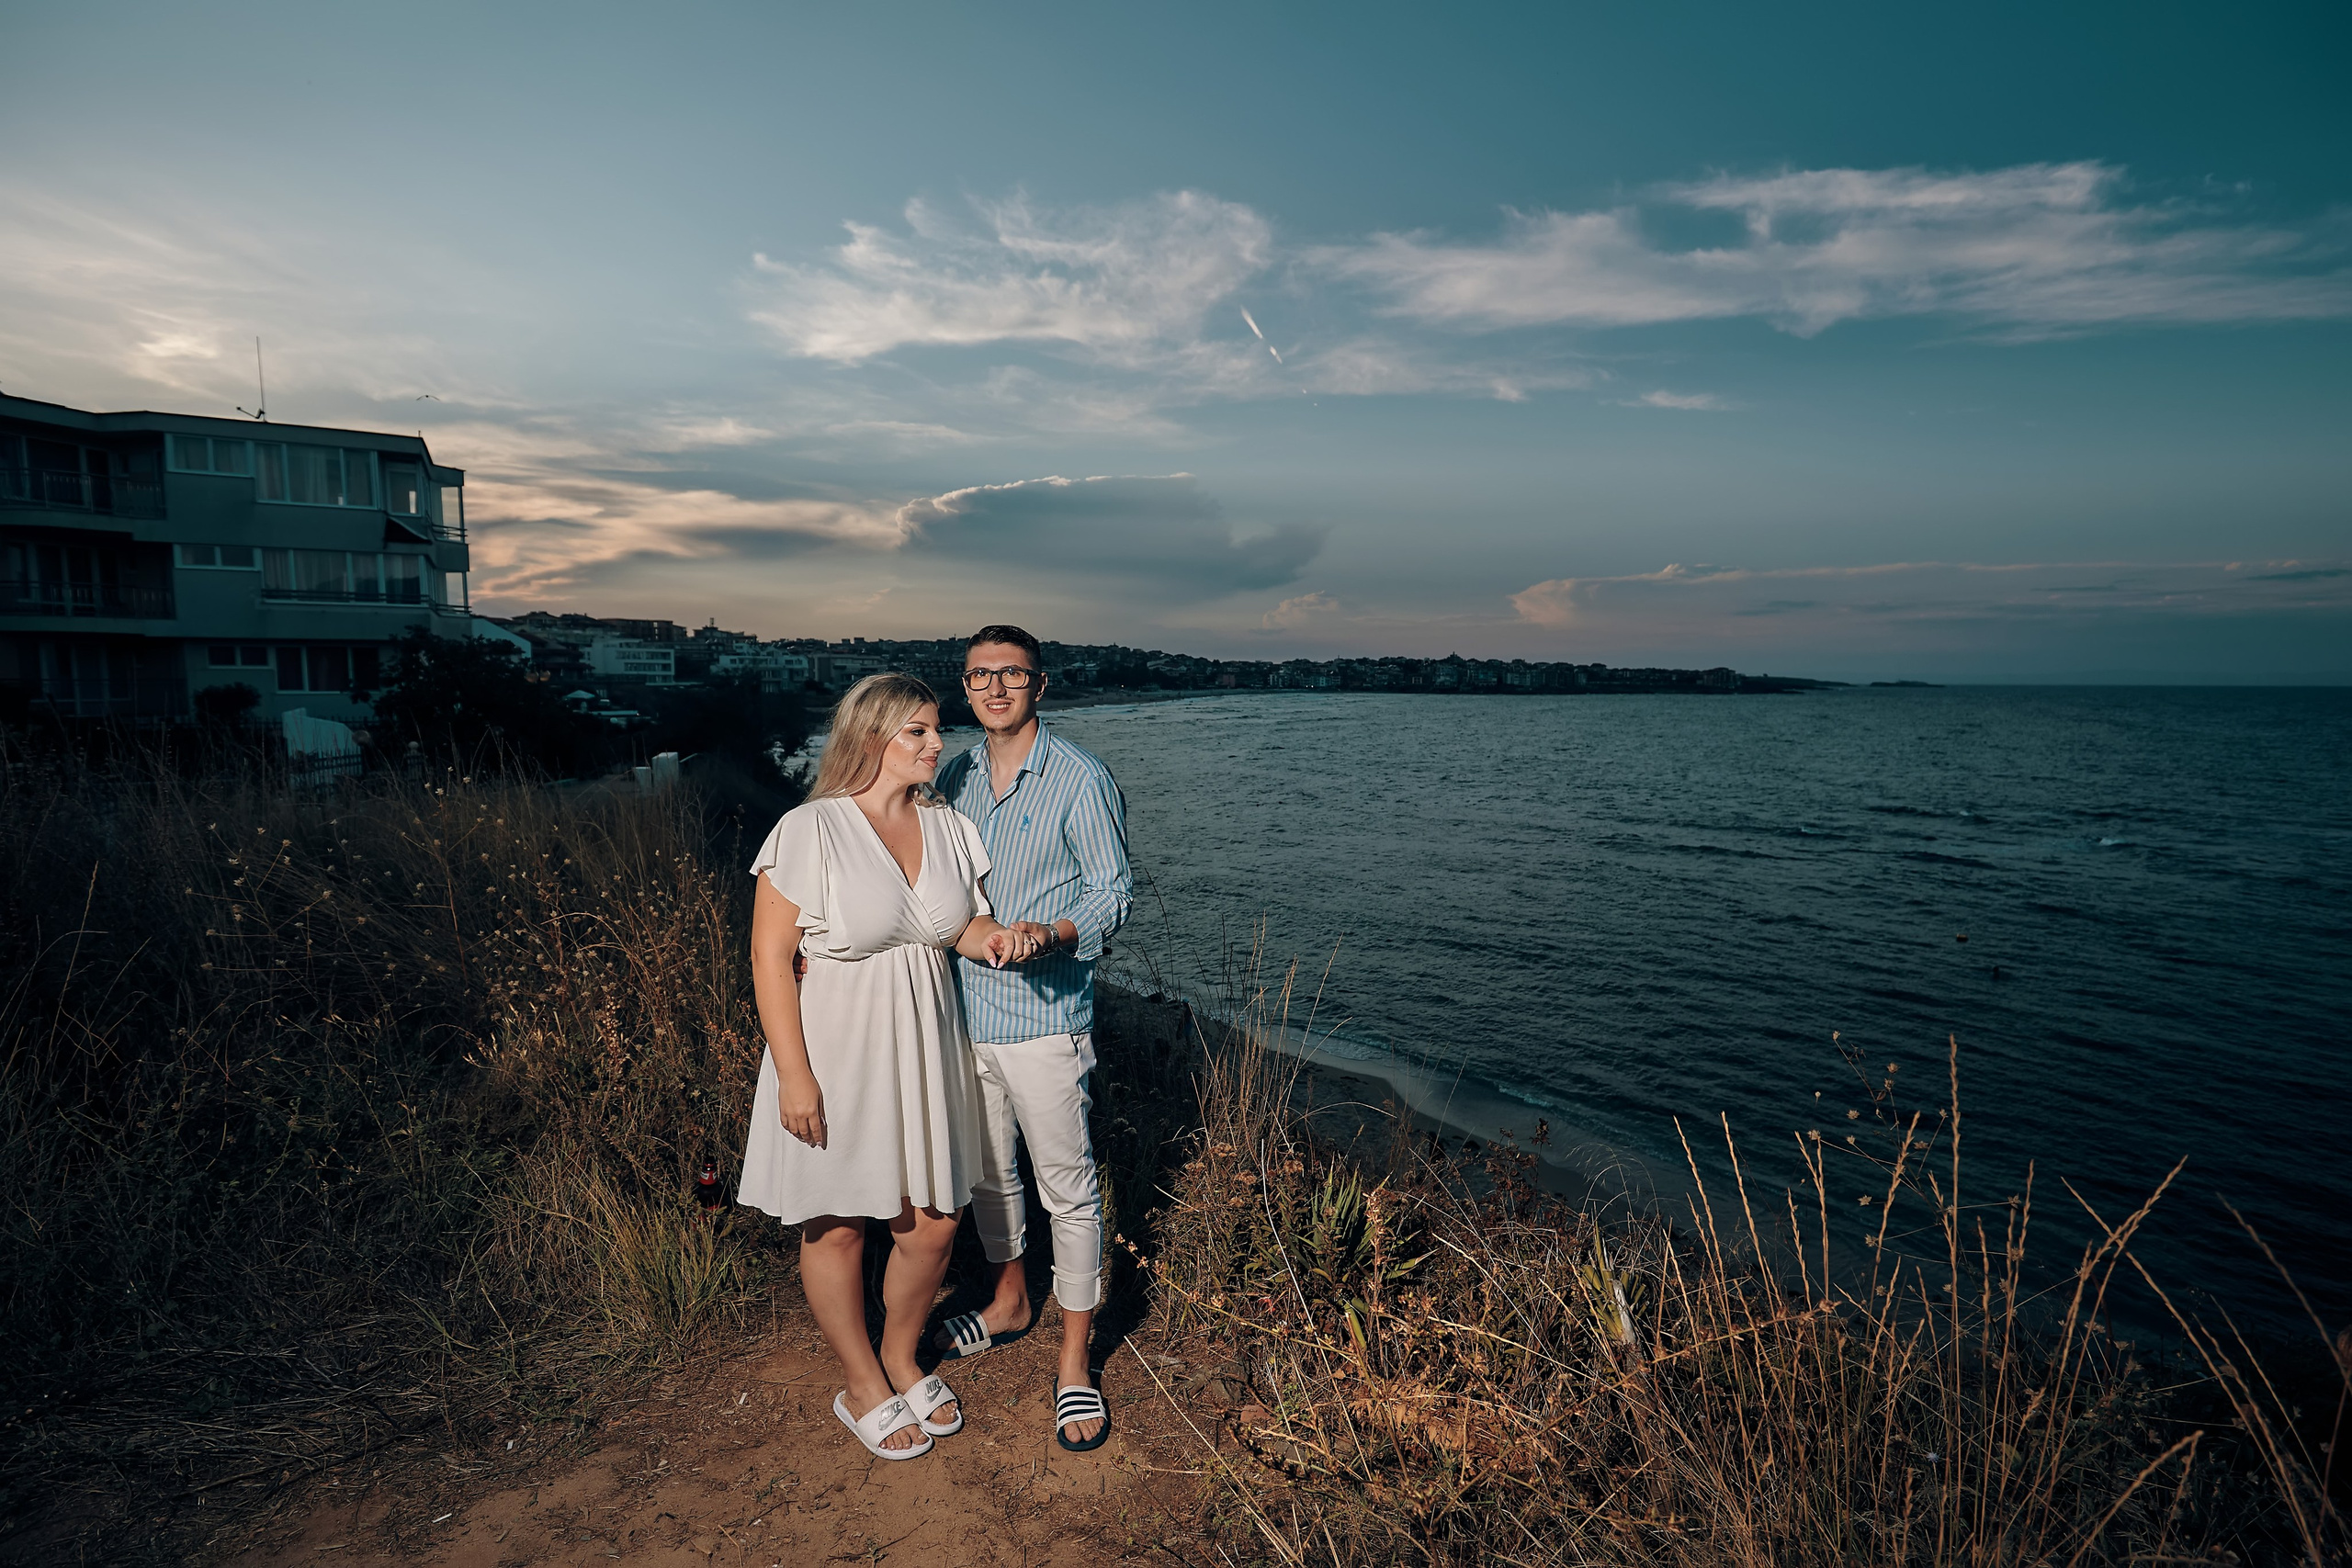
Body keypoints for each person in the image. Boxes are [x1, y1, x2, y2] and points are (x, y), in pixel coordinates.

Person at [739, 672, 1042, 1461]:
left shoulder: (945, 824)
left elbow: (960, 926)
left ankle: (902, 1353)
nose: (938, 743)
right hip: (834, 1049)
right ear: (871, 737)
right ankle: (862, 1379)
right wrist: (794, 1073)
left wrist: (1002, 939)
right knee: (836, 1223)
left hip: (924, 1047)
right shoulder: (810, 829)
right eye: (919, 731)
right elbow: (771, 958)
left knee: (934, 1225)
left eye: (936, 730)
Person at [932, 625, 1133, 1452]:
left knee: (1067, 1186)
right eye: (980, 675)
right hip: (962, 1015)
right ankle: (1011, 1297)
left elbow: (1114, 892)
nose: (995, 688)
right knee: (988, 1174)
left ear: (1039, 685)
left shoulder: (1080, 777)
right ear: (967, 686)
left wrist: (1051, 932)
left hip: (1046, 1022)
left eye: (1011, 674)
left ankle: (1076, 1358)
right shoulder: (952, 774)